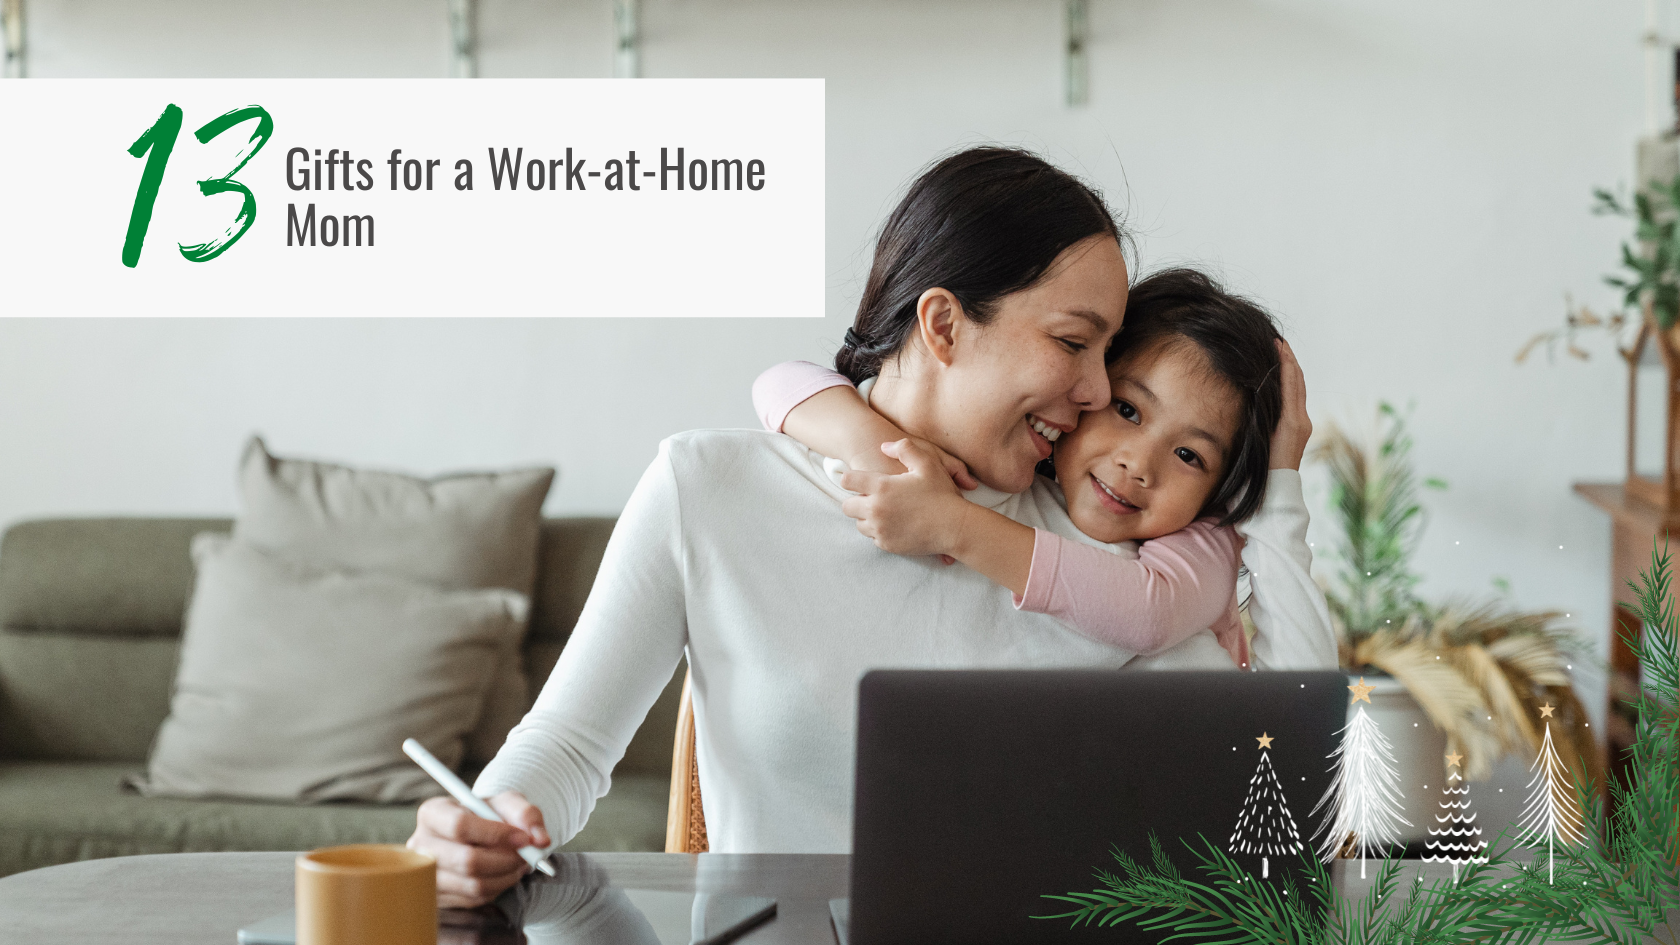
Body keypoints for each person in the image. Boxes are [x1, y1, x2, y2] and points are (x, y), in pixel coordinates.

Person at [406, 147, 1337, 908]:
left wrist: (1280, 484)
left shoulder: (1114, 554)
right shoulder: (710, 488)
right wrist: (486, 818)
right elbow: (568, 747)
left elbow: (1293, 780)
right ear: (943, 324)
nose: (1097, 393)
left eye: (1108, 354)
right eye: (1071, 342)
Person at [749, 268, 1311, 669]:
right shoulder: (1024, 472)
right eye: (1128, 409)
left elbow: (1151, 614)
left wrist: (954, 526)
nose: (1138, 465)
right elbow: (779, 381)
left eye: (1190, 456)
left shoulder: (1203, 537)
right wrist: (874, 444)